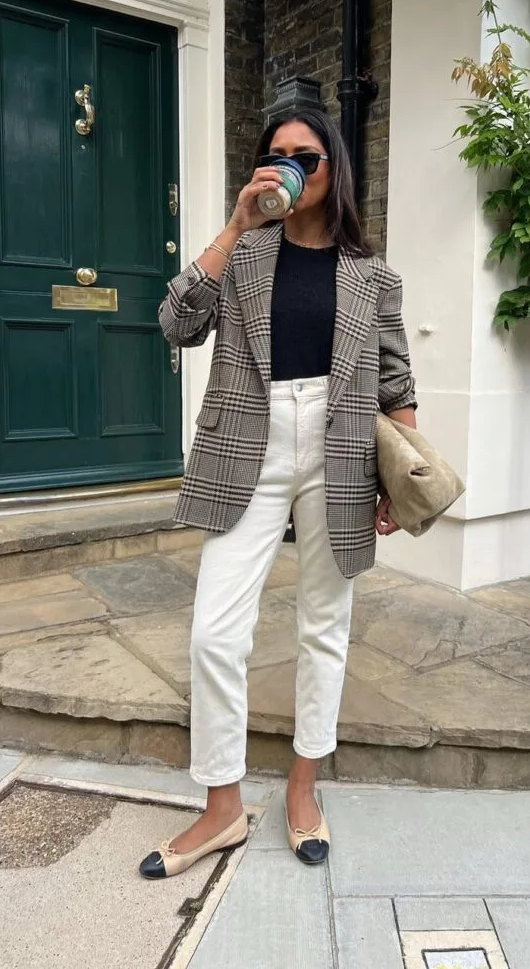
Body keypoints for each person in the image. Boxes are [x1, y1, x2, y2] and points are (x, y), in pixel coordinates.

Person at [139, 110, 417, 880]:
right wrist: (235, 224)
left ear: (334, 168)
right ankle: (221, 806)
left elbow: (394, 378)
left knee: (324, 627)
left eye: (307, 156)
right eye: (275, 155)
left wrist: (402, 477)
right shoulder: (245, 253)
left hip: (341, 448)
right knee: (214, 634)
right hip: (248, 447)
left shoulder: (373, 273)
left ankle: (302, 788)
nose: (290, 166)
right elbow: (175, 324)